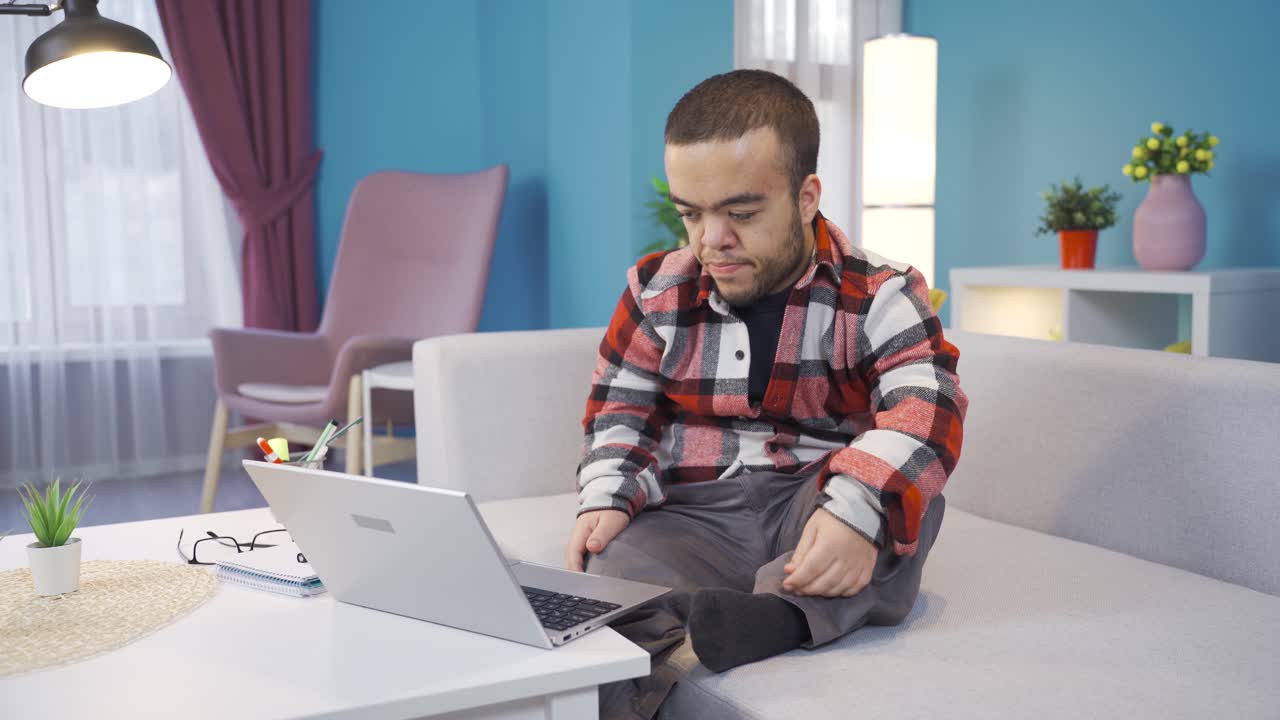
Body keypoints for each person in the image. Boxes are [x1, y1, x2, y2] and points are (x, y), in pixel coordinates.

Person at [566, 69, 968, 720]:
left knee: (906, 514)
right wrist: (608, 495)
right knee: (611, 559)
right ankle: (657, 653)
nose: (710, 241)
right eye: (690, 213)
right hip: (695, 510)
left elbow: (926, 411)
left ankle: (776, 615)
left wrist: (854, 511)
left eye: (741, 213)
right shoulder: (654, 292)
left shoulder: (881, 294)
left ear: (807, 197)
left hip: (815, 502)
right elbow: (621, 409)